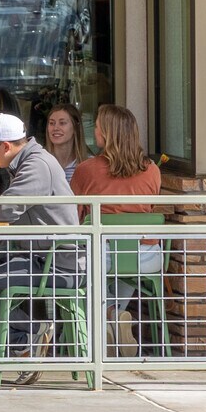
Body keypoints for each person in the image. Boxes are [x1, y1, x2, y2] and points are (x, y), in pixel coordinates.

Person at [0, 113, 83, 363]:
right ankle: (25, 340)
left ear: (5, 146)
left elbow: (6, 209)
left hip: (56, 265)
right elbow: (9, 207)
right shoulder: (31, 161)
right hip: (46, 259)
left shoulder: (36, 165)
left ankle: (28, 335)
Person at [72, 105, 164, 321]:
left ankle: (110, 315)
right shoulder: (152, 169)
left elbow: (72, 215)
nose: (93, 131)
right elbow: (151, 209)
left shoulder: (86, 170)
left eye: (96, 127)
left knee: (82, 273)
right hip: (146, 255)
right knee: (123, 269)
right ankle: (115, 321)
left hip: (101, 255)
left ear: (107, 133)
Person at [39, 102, 89, 181]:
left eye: (62, 123)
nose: (55, 128)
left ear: (75, 128)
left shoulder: (89, 165)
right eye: (51, 123)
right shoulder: (38, 162)